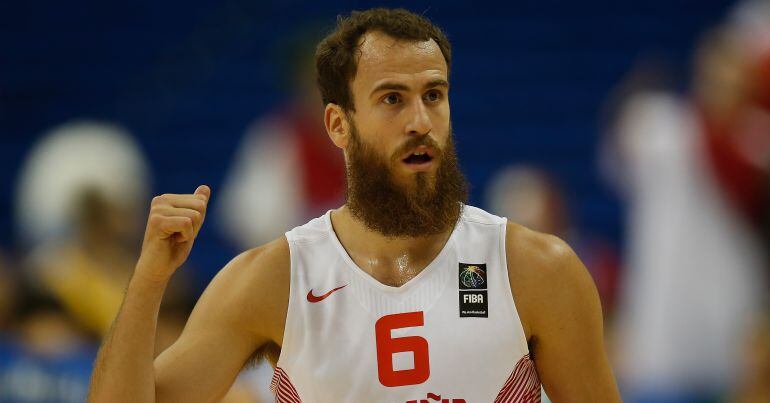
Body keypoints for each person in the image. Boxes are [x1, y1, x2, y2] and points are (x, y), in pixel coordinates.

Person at [88, 8, 620, 402]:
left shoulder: (535, 270)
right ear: (339, 125)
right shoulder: (274, 278)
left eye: (433, 95)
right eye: (393, 99)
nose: (420, 121)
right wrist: (149, 281)